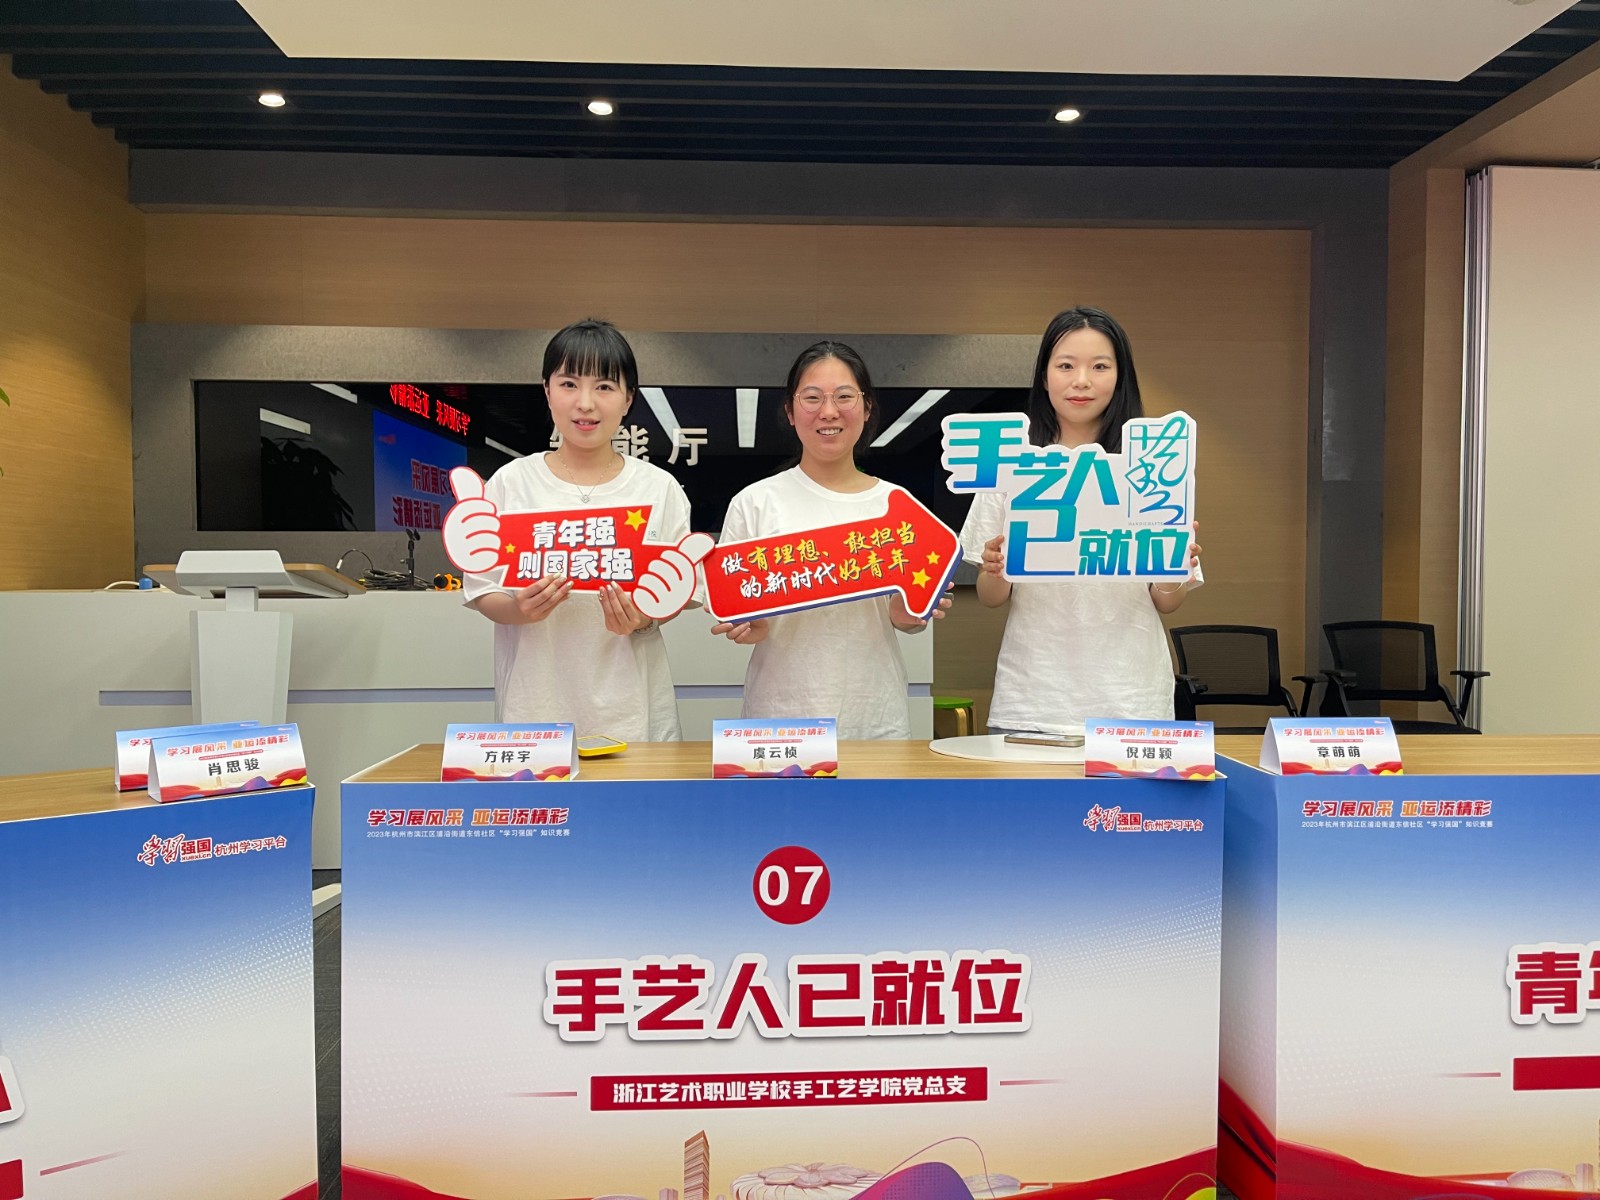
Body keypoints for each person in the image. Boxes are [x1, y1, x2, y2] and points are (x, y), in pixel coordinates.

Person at [959, 306, 1201, 736]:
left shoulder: (1153, 464)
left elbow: (1167, 601)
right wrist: (995, 569)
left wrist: (1173, 569)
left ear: (1120, 377)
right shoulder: (1012, 463)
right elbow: (992, 596)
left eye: (1100, 366)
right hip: (1033, 699)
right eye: (1066, 365)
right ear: (1044, 375)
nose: (1082, 380)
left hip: (1132, 699)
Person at [450, 318, 693, 740]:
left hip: (633, 710)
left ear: (628, 398)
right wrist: (518, 610)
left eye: (604, 386)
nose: (585, 403)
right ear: (547, 391)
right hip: (535, 708)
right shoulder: (512, 482)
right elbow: (482, 589)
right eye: (568, 384)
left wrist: (642, 618)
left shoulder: (660, 489)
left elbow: (675, 591)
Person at [713, 341, 950, 739]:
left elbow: (902, 617)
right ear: (790, 412)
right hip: (781, 716)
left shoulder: (897, 506)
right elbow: (736, 606)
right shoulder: (755, 503)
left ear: (867, 407)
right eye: (812, 398)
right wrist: (747, 623)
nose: (828, 411)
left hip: (874, 717)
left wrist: (909, 615)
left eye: (844, 396)